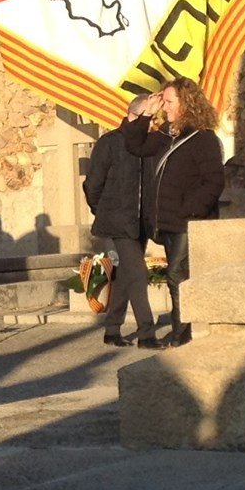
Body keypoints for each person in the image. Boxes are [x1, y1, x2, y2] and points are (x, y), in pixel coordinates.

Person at [121, 77, 225, 349]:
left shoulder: (203, 138)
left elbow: (214, 181)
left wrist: (190, 210)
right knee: (175, 276)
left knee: (177, 274)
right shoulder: (167, 134)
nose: (164, 107)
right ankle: (183, 329)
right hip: (167, 220)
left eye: (169, 102)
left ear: (186, 103)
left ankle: (182, 333)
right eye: (163, 102)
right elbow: (136, 146)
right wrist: (146, 115)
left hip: (187, 221)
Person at [83, 101, 160, 350]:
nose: (153, 123)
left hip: (141, 220)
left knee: (127, 275)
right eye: (149, 118)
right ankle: (146, 333)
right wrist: (104, 210)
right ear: (133, 116)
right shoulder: (110, 142)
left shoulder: (150, 144)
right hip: (117, 220)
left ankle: (112, 329)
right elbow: (93, 183)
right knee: (138, 273)